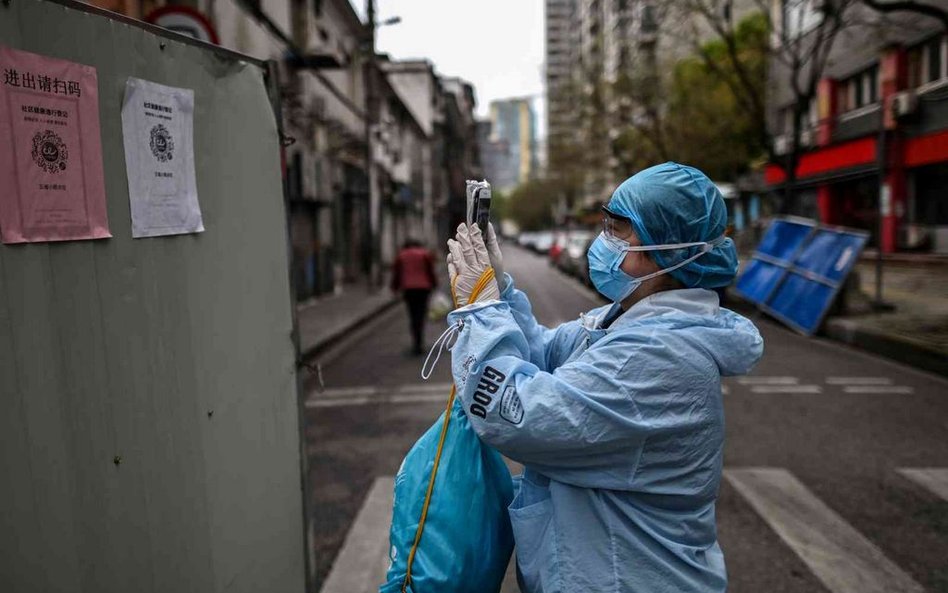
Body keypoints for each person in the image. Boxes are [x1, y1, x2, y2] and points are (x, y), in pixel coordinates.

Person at [443, 162, 764, 592]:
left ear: (665, 250)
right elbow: (543, 353)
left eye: (618, 230)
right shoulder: (628, 321)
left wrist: (481, 313)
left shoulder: (658, 356)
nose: (603, 241)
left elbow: (514, 413)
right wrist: (499, 290)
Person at [391, 238, 438, 355]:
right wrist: (434, 284)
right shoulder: (424, 254)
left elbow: (397, 273)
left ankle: (416, 342)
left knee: (412, 315)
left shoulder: (401, 256)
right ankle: (420, 340)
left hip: (408, 289)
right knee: (420, 314)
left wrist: (394, 287)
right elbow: (430, 271)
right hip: (423, 288)